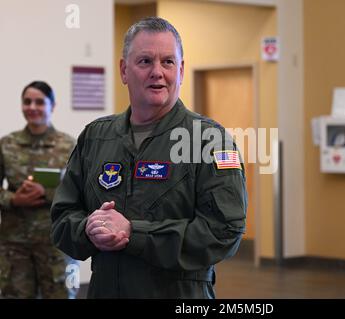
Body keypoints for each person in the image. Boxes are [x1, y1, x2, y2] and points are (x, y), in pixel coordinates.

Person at [50, 17, 247, 299]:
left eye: (167, 62)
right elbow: (62, 217)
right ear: (124, 70)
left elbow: (225, 231)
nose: (157, 72)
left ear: (180, 70)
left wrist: (134, 233)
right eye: (145, 61)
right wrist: (88, 229)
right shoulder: (95, 137)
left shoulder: (208, 140)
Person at [0, 81, 76, 298]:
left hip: (57, 243)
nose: (32, 107)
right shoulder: (6, 144)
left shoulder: (69, 146)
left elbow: (81, 191)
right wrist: (14, 199)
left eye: (40, 102)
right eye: (27, 102)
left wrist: (46, 193)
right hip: (14, 245)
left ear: (53, 105)